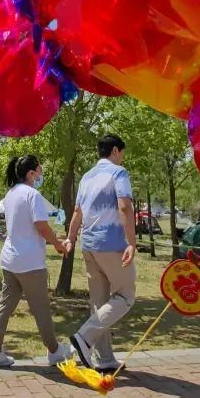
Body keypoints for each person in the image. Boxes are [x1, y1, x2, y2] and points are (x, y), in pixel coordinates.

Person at [0, 155, 71, 368]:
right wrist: (59, 244)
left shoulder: (11, 194)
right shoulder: (33, 195)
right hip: (30, 262)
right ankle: (55, 351)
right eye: (39, 170)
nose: (41, 174)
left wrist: (54, 239)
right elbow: (41, 226)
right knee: (41, 308)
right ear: (31, 173)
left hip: (10, 260)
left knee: (4, 306)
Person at [64, 134, 136, 372]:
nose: (123, 158)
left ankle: (103, 358)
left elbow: (77, 212)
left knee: (100, 303)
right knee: (125, 296)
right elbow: (125, 205)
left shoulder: (87, 177)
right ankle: (84, 337)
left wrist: (70, 239)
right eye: (122, 153)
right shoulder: (118, 173)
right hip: (111, 244)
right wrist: (131, 242)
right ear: (115, 151)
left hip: (88, 245)